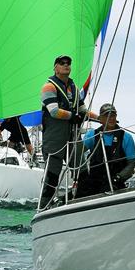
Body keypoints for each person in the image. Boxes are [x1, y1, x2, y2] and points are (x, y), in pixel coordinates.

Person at [39, 55, 99, 208]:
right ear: (55, 67)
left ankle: (81, 200)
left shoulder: (74, 88)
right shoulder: (49, 87)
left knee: (82, 170)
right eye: (62, 63)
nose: (66, 65)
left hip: (72, 137)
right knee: (52, 175)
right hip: (54, 138)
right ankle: (44, 207)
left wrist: (102, 119)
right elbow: (53, 111)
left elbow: (82, 111)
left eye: (68, 63)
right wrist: (73, 116)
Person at [75, 103, 135, 198]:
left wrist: (118, 178)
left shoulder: (126, 137)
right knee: (78, 193)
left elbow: (132, 163)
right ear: (100, 119)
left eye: (113, 115)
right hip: (94, 179)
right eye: (107, 115)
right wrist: (77, 131)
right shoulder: (92, 135)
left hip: (115, 180)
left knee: (108, 188)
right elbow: (77, 153)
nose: (111, 118)